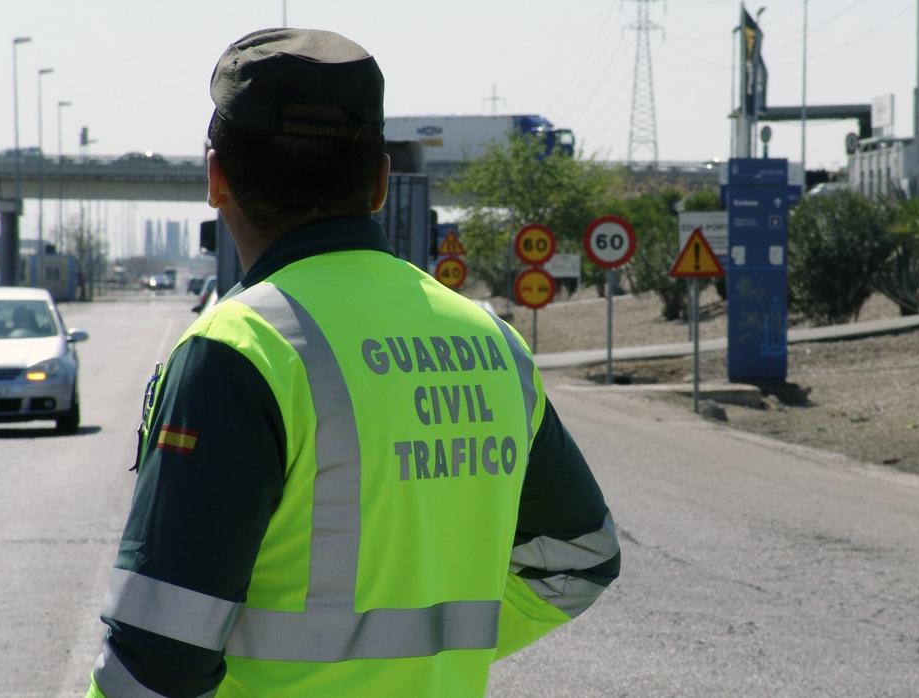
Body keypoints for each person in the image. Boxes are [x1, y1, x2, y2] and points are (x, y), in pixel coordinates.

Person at [87, 28, 620, 696]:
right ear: (379, 182)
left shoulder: (237, 351)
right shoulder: (492, 342)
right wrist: (435, 659)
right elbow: (582, 557)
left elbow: (154, 663)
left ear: (216, 177)